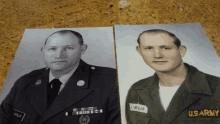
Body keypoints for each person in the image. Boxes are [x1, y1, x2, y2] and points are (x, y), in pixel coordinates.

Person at [0, 30, 121, 124]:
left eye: (68, 48)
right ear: (43, 51)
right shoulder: (25, 82)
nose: (59, 55)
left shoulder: (110, 82)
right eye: (52, 49)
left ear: (82, 49)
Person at [125, 29, 220, 124]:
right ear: (139, 51)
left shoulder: (216, 88)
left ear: (181, 51)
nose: (157, 55)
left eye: (165, 48)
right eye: (149, 48)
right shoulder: (137, 90)